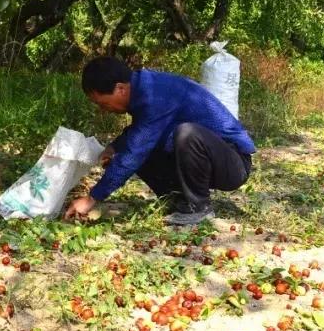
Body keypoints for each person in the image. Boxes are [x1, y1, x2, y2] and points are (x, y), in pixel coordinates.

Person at [64, 56, 255, 225]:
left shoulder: (157, 94)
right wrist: (114, 148)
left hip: (234, 164)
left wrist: (92, 198)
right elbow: (140, 132)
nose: (104, 110)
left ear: (120, 89)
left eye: (103, 103)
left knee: (185, 134)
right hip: (208, 161)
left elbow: (134, 151)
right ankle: (177, 199)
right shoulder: (145, 88)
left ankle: (199, 207)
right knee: (134, 149)